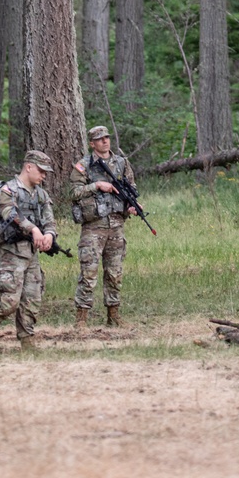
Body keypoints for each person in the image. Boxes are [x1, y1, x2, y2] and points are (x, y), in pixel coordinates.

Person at [0, 150, 57, 352]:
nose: (44, 176)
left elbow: (49, 220)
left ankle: (27, 341)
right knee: (9, 301)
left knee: (32, 299)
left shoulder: (41, 194)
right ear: (29, 167)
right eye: (41, 171)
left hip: (31, 254)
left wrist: (49, 235)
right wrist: (33, 229)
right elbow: (10, 213)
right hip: (11, 253)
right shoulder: (9, 190)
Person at [71, 125, 136, 329]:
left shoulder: (121, 163)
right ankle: (81, 319)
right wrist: (97, 186)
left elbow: (131, 187)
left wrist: (132, 205)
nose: (105, 141)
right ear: (92, 143)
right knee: (89, 273)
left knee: (114, 273)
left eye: (106, 137)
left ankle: (113, 315)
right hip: (94, 226)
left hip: (116, 225)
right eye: (100, 139)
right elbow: (73, 193)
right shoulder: (84, 165)